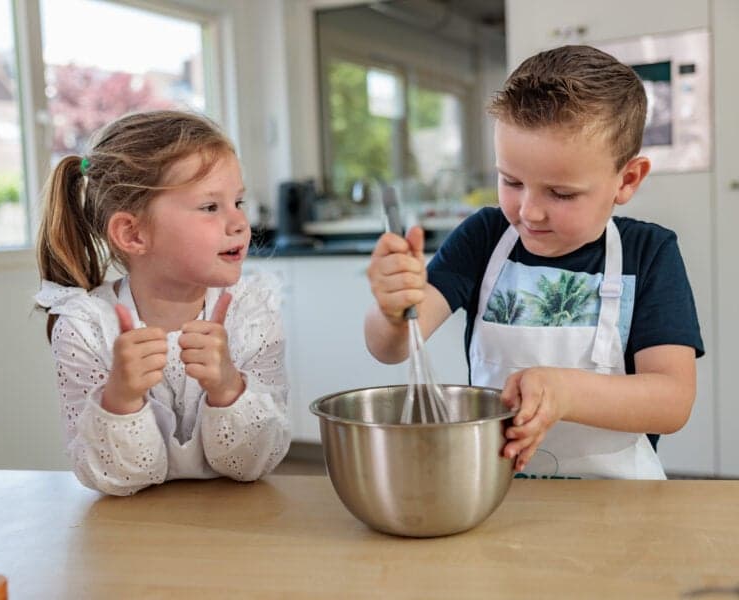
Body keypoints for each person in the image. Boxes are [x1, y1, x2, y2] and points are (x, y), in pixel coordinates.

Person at [364, 45, 704, 479]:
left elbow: (672, 402)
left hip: (619, 500)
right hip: (498, 493)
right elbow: (391, 349)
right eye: (511, 181)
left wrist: (566, 392)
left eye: (560, 193)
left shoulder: (649, 253)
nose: (529, 212)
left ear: (627, 179)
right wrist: (392, 309)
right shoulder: (483, 238)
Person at [35, 110, 290, 496]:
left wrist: (228, 387)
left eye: (238, 201)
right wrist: (120, 399)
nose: (239, 222)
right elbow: (116, 479)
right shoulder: (85, 327)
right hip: (129, 530)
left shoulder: (253, 313)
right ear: (133, 234)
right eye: (210, 207)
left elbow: (256, 463)